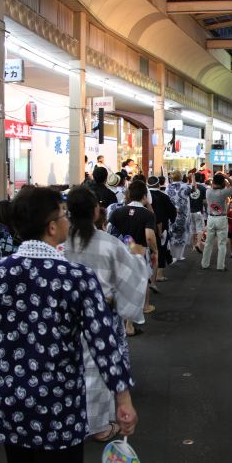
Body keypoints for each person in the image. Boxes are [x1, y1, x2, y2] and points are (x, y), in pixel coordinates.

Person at [0, 186, 137, 462]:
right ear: (51, 227)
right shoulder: (76, 278)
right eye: (63, 215)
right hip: (62, 408)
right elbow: (103, 342)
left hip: (11, 405)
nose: (67, 220)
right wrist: (123, 397)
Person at [64, 186, 147, 442]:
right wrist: (137, 254)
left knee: (67, 366)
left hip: (64, 315)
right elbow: (131, 273)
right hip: (102, 314)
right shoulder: (108, 243)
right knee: (99, 367)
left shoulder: (60, 243)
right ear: (96, 211)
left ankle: (70, 416)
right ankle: (99, 426)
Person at [109, 181, 159, 330]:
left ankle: (122, 318)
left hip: (120, 252)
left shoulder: (117, 212)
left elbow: (110, 231)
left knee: (122, 284)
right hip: (139, 253)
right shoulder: (147, 214)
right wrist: (155, 250)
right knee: (140, 283)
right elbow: (149, 236)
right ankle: (133, 320)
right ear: (144, 196)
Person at [201, 172, 232, 271]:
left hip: (211, 218)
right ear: (222, 183)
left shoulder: (208, 191)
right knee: (221, 244)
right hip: (221, 219)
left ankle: (204, 264)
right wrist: (226, 177)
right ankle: (220, 266)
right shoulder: (223, 192)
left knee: (208, 243)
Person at [148, 176, 176, 282]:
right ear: (159, 184)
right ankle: (159, 274)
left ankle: (148, 274)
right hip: (161, 227)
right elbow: (172, 211)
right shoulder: (163, 196)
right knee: (160, 249)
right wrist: (172, 219)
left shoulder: (145, 195)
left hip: (145, 227)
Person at [166, 170, 192, 261]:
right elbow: (194, 189)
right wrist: (193, 178)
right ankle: (179, 255)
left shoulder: (168, 187)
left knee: (172, 232)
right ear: (181, 176)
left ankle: (173, 255)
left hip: (171, 212)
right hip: (183, 213)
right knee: (182, 233)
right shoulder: (185, 186)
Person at [189, 172, 208, 253]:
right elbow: (204, 202)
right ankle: (198, 244)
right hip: (198, 211)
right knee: (199, 229)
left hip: (190, 211)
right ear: (201, 178)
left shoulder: (189, 187)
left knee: (192, 229)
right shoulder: (203, 188)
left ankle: (193, 245)